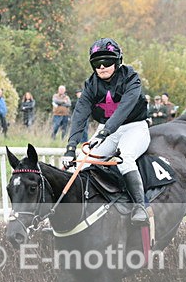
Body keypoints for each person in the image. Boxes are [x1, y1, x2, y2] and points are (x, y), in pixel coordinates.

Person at [62, 37, 150, 225]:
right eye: (97, 63)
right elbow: (80, 114)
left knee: (125, 158)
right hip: (107, 130)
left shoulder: (131, 77)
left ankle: (140, 207)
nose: (102, 67)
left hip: (134, 127)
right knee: (83, 164)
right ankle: (74, 217)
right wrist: (70, 147)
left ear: (118, 61)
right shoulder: (91, 84)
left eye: (107, 61)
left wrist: (105, 131)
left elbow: (125, 108)